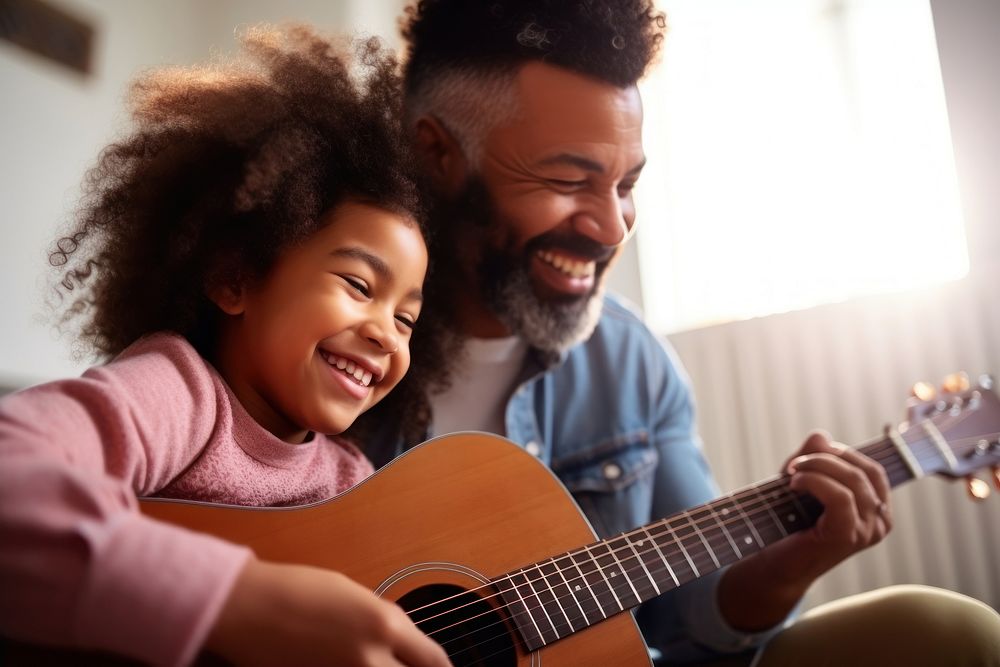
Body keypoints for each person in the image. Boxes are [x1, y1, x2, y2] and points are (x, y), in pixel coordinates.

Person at [363, 1, 1000, 665]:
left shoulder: (631, 359)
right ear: (437, 152)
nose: (613, 228)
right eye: (567, 180)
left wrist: (795, 559)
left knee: (945, 629)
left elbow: (689, 617)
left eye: (627, 184)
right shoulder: (325, 343)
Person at [0, 25, 451, 667]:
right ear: (234, 277)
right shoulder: (181, 394)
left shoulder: (352, 480)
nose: (385, 332)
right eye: (358, 284)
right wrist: (231, 599)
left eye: (407, 320)